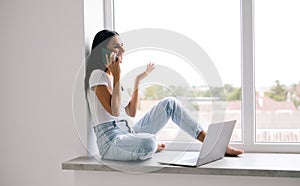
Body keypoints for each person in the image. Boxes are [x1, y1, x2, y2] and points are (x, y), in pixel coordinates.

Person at [86, 30, 244, 161]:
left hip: (129, 131)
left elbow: (131, 112)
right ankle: (148, 147)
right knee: (148, 142)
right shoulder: (97, 76)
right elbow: (113, 111)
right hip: (111, 141)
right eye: (116, 47)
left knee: (170, 103)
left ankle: (212, 143)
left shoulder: (113, 77)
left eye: (122, 46)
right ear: (103, 51)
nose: (123, 51)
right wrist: (118, 76)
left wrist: (137, 80)